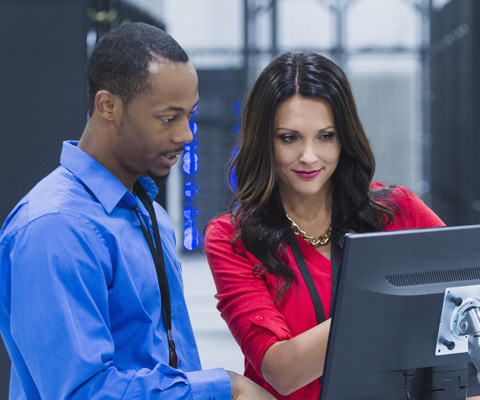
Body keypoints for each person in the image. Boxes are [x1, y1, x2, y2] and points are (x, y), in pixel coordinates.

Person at [0, 22, 276, 400]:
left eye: (189, 115)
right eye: (169, 117)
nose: (186, 135)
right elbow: (83, 393)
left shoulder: (149, 214)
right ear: (108, 106)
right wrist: (223, 388)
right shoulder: (55, 228)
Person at [204, 51, 448, 400]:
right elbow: (282, 370)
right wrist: (395, 304)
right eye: (289, 137)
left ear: (344, 137)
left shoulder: (398, 211)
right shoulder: (232, 237)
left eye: (326, 136)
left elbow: (464, 292)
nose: (309, 156)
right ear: (263, 140)